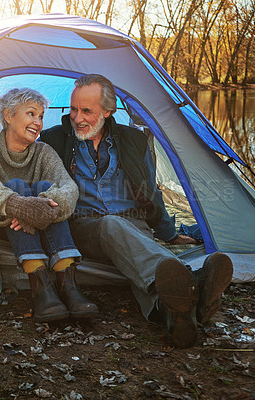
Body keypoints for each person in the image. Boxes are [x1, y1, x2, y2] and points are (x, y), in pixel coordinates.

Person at [39, 74, 233, 348]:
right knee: (112, 226)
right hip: (86, 227)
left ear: (107, 111)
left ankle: (177, 315)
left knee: (141, 258)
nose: (77, 118)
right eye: (73, 109)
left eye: (87, 111)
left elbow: (150, 189)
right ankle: (195, 281)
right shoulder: (53, 140)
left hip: (134, 223)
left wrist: (168, 232)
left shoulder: (134, 140)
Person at [0, 88, 99, 322]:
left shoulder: (44, 151)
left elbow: (69, 188)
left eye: (40, 116)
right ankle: (39, 283)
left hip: (44, 221)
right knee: (16, 185)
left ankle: (66, 282)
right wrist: (21, 207)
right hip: (3, 225)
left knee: (44, 187)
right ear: (8, 115)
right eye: (31, 114)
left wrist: (43, 207)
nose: (38, 122)